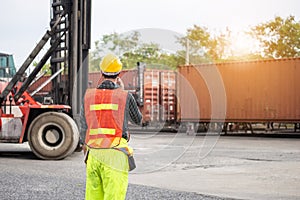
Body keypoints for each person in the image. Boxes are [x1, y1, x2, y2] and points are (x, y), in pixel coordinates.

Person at [80, 53, 142, 200]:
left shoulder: (88, 96)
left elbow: (83, 125)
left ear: (101, 73)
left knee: (93, 197)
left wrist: (85, 146)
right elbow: (138, 120)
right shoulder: (124, 96)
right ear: (119, 74)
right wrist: (122, 91)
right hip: (115, 154)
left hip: (93, 154)